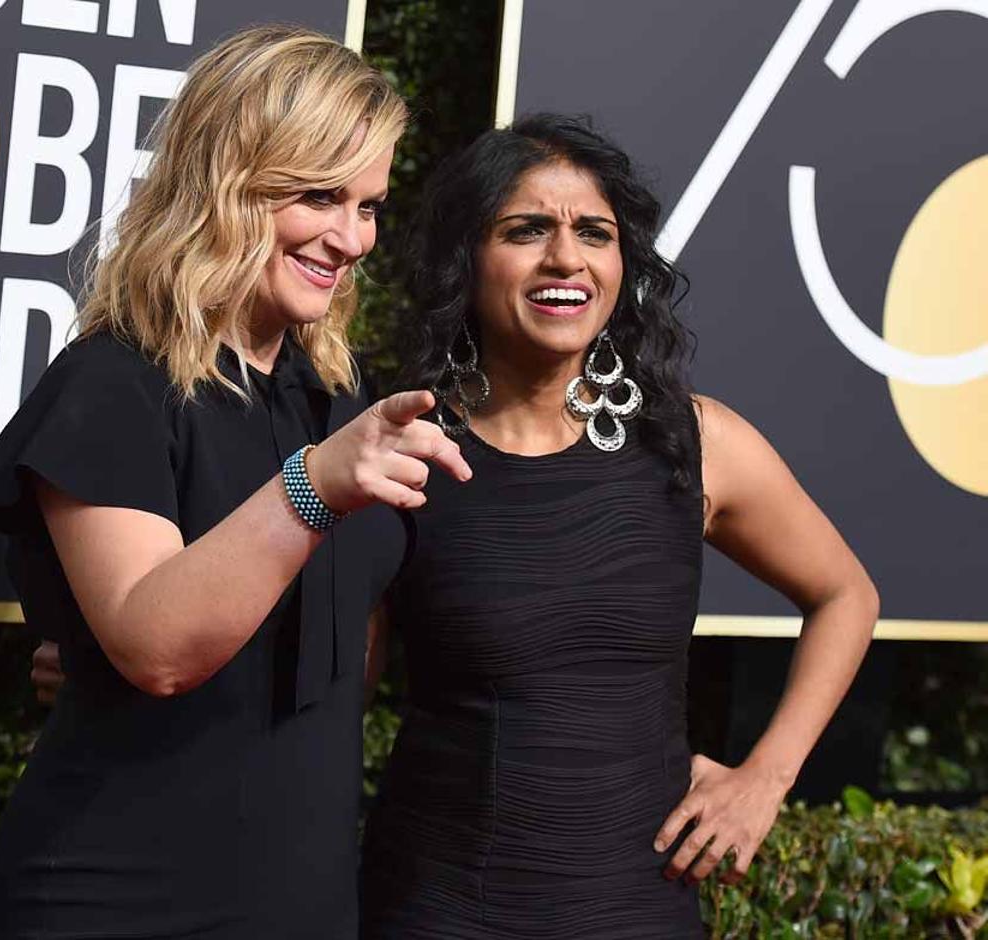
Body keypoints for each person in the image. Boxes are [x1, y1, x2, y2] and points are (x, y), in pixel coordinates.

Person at [0, 25, 470, 939]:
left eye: (369, 204)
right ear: (226, 182)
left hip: (304, 898)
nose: (352, 238)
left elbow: (346, 632)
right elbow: (157, 651)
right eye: (319, 196)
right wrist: (311, 487)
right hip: (115, 898)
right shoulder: (115, 380)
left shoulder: (334, 394)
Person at [357, 114, 879, 938]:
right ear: (468, 257)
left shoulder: (696, 440)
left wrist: (765, 779)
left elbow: (846, 594)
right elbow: (329, 692)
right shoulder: (398, 449)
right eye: (526, 230)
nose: (565, 258)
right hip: (440, 905)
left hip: (638, 904)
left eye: (593, 233)